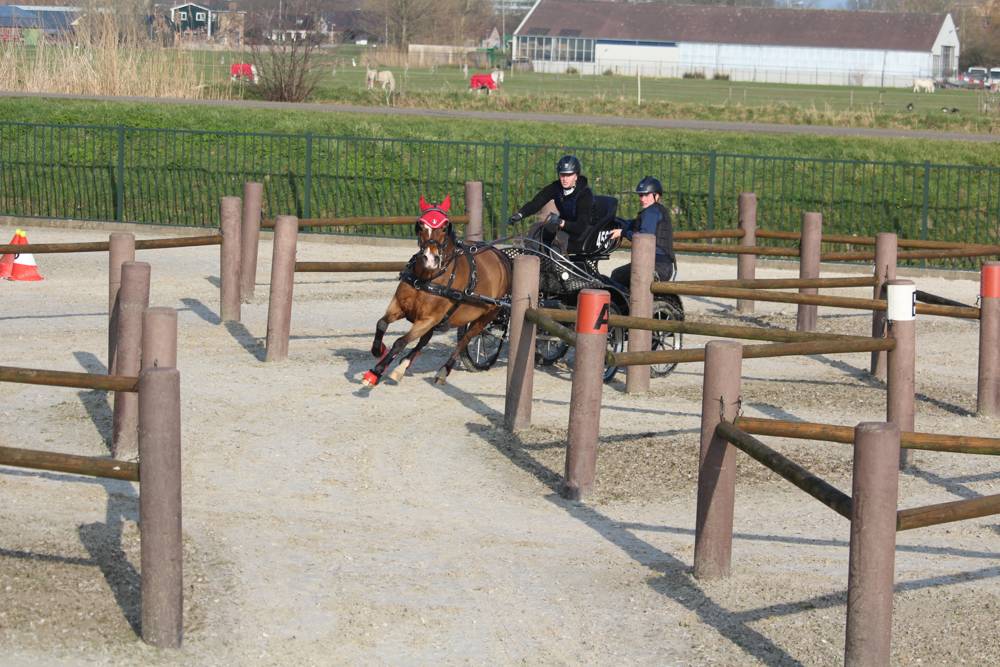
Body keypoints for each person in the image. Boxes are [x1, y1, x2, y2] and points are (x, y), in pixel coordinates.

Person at [508, 155, 594, 254]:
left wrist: (561, 222)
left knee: (559, 240)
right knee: (535, 230)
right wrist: (520, 214)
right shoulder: (556, 187)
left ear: (576, 176)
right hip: (562, 226)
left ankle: (555, 264)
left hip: (581, 231)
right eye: (562, 175)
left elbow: (581, 226)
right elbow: (536, 203)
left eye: (569, 175)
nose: (564, 179)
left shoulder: (585, 194)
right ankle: (532, 260)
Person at [609, 176, 675, 287]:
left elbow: (643, 237)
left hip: (656, 266)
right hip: (662, 265)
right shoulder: (656, 211)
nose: (642, 199)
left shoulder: (651, 212)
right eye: (641, 195)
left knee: (617, 275)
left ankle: (624, 304)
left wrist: (623, 233)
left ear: (656, 196)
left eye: (647, 195)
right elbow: (633, 224)